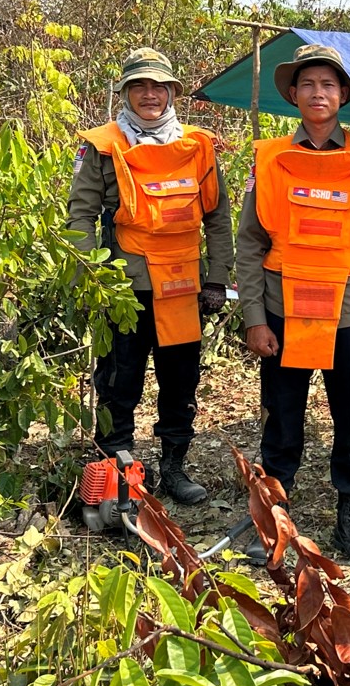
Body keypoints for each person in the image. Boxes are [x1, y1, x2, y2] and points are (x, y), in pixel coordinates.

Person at [236, 43, 350, 565]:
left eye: (328, 84)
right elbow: (250, 244)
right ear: (292, 94)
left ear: (344, 95)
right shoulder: (269, 159)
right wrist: (255, 318)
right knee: (282, 420)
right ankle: (275, 523)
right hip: (285, 311)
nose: (317, 93)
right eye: (307, 84)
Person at [67, 47, 233, 504]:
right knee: (120, 381)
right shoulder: (102, 145)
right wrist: (94, 277)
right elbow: (79, 217)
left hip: (184, 285)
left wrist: (217, 278)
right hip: (126, 286)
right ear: (124, 93)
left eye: (158, 86)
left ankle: (175, 467)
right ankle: (117, 476)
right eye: (139, 86)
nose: (149, 95)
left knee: (180, 383)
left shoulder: (198, 145)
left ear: (172, 92)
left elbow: (217, 218)